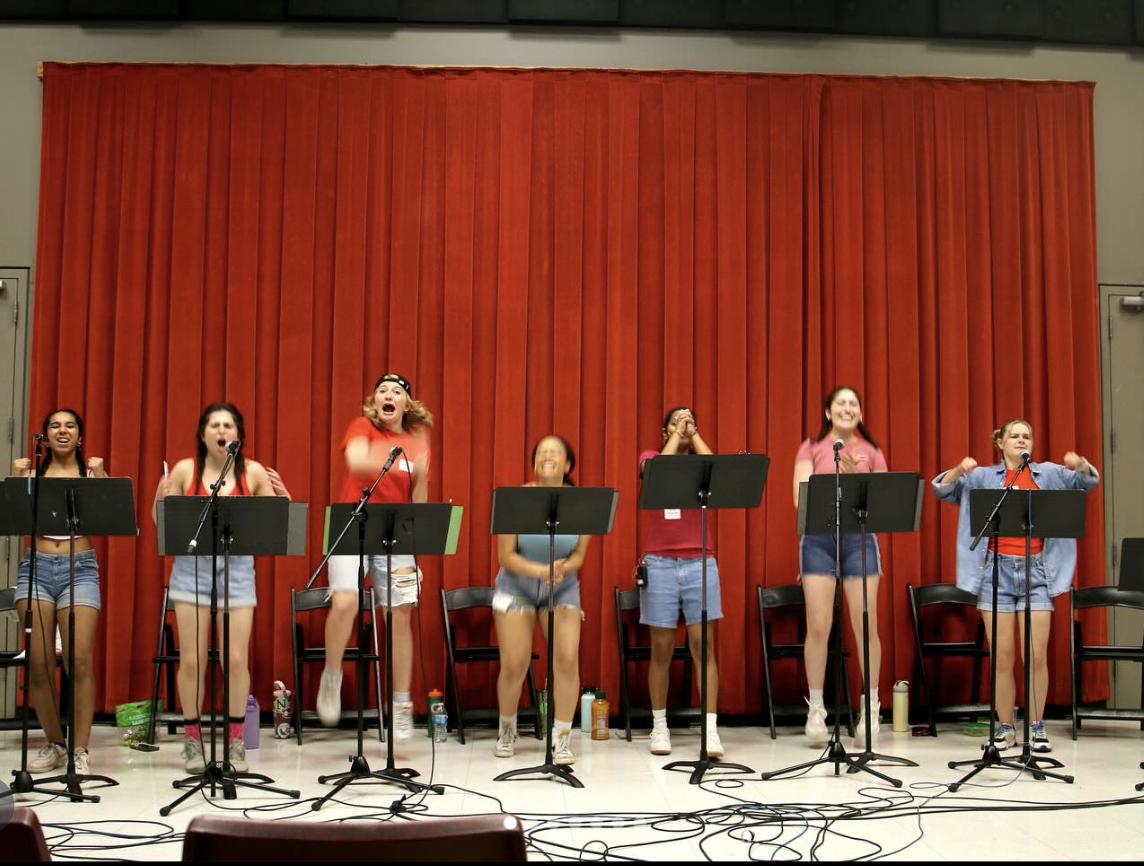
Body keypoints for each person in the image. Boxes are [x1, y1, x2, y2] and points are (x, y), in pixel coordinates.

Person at [933, 418, 1098, 753]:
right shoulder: (982, 477)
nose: (1022, 441)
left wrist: (1080, 466)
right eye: (1015, 436)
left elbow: (1087, 483)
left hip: (1038, 572)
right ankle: (1005, 727)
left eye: (1027, 436)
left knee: (1036, 655)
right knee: (1002, 656)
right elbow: (943, 489)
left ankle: (1036, 727)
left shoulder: (1049, 473)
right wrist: (958, 470)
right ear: (1000, 442)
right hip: (995, 573)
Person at [152, 402, 290, 775]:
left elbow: (278, 528)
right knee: (192, 659)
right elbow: (163, 527)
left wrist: (285, 500)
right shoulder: (185, 470)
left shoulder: (254, 472)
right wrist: (160, 500)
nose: (221, 431)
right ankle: (193, 740)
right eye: (214, 425)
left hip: (238, 570)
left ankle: (235, 741)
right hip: (191, 571)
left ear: (237, 436)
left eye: (228, 425)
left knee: (236, 659)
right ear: (203, 434)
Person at [317, 374, 432, 739]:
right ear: (375, 401)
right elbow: (357, 461)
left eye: (397, 392)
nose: (389, 395)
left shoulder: (417, 447)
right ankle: (332, 676)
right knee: (346, 602)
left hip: (395, 533)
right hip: (352, 521)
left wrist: (414, 556)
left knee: (401, 613)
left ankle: (400, 703)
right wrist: (404, 454)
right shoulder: (362, 426)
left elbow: (420, 501)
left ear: (406, 404)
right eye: (383, 390)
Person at [12, 408, 106, 777]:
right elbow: (13, 519)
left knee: (78, 661)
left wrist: (101, 476)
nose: (62, 430)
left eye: (70, 425)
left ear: (80, 437)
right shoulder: (33, 474)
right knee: (37, 664)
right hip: (35, 567)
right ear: (45, 436)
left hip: (79, 568)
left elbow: (108, 516)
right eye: (55, 425)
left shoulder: (89, 474)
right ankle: (55, 743)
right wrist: (16, 480)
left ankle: (80, 749)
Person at [793, 386, 887, 747]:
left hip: (859, 541)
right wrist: (836, 477)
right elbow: (799, 499)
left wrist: (853, 478)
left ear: (860, 413)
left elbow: (882, 503)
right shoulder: (811, 447)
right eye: (841, 403)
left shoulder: (872, 451)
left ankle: (872, 706)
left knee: (866, 623)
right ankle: (816, 708)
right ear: (828, 412)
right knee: (818, 626)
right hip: (818, 539)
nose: (848, 408)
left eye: (854, 404)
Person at [492, 434, 590, 764]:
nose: (547, 456)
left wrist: (562, 569)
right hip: (516, 586)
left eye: (555, 452)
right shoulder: (515, 499)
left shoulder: (581, 502)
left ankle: (561, 738)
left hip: (561, 587)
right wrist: (541, 570)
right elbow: (506, 555)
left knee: (566, 658)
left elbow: (579, 554)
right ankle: (507, 728)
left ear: (567, 464)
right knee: (515, 663)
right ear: (534, 462)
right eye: (541, 451)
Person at [639, 407, 726, 759]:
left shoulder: (699, 465)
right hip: (659, 562)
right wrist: (678, 433)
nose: (686, 423)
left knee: (702, 645)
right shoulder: (651, 457)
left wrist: (694, 434)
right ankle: (659, 726)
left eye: (691, 418)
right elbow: (655, 471)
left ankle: (711, 728)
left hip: (701, 562)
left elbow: (716, 469)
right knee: (660, 648)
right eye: (677, 420)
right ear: (664, 432)